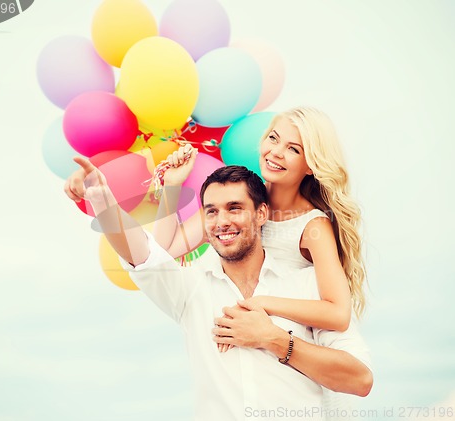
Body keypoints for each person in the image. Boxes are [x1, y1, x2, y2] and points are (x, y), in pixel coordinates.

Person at [64, 163, 373, 420]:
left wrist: (274, 339)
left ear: (262, 214)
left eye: (234, 208)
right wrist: (103, 201)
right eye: (211, 212)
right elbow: (143, 253)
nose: (222, 221)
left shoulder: (306, 285)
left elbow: (359, 379)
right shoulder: (190, 289)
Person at [150, 107, 366, 347]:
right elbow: (160, 254)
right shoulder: (236, 200)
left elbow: (338, 314)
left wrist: (261, 301)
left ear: (311, 165)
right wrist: (171, 185)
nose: (276, 152)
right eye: (273, 138)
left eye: (293, 149)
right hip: (232, 339)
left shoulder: (312, 226)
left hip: (281, 346)